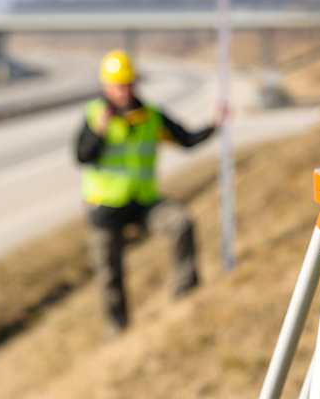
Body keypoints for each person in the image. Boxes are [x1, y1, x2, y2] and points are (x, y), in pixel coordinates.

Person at [76, 49, 224, 338]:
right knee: (109, 274)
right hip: (105, 208)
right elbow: (81, 155)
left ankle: (186, 295)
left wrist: (214, 125)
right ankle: (117, 330)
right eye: (117, 84)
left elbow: (187, 139)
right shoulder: (95, 116)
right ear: (106, 86)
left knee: (181, 223)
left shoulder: (151, 116)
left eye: (128, 83)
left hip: (143, 202)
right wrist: (98, 132)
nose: (123, 90)